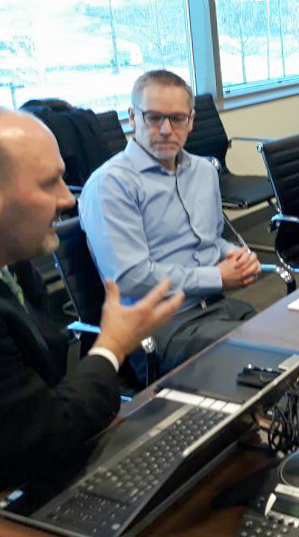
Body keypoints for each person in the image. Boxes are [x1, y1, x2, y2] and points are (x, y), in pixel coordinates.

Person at [0, 108, 183, 489]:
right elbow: (45, 439)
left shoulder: (14, 262)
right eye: (49, 184)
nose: (68, 198)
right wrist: (112, 346)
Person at [80, 70, 260, 376]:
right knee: (262, 359)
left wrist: (237, 256)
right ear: (132, 118)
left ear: (191, 121)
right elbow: (129, 277)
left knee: (287, 338)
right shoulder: (110, 184)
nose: (166, 130)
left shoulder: (203, 171)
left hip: (216, 308)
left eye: (177, 119)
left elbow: (212, 240)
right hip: (158, 329)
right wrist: (216, 277)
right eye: (153, 118)